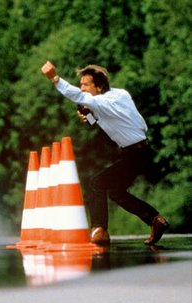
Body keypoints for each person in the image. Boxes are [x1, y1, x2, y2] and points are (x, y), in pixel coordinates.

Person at [40, 61, 169, 246]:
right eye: (81, 84)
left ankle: (99, 230)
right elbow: (104, 119)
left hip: (135, 153)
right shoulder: (120, 95)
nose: (82, 88)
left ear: (99, 87)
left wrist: (54, 78)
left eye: (86, 85)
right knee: (116, 192)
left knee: (97, 183)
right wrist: (90, 116)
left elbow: (75, 95)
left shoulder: (100, 101)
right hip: (141, 150)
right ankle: (155, 220)